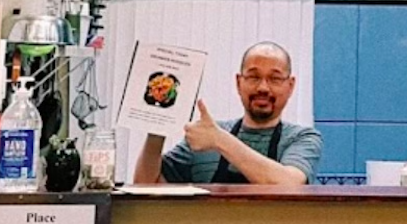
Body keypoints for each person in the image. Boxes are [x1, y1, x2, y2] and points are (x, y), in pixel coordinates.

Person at [132, 41, 322, 185]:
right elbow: (147, 184)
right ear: (239, 82)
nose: (263, 87)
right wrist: (158, 124)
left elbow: (288, 185)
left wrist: (220, 141)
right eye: (253, 76)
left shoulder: (302, 138)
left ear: (290, 86)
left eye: (275, 78)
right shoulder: (206, 137)